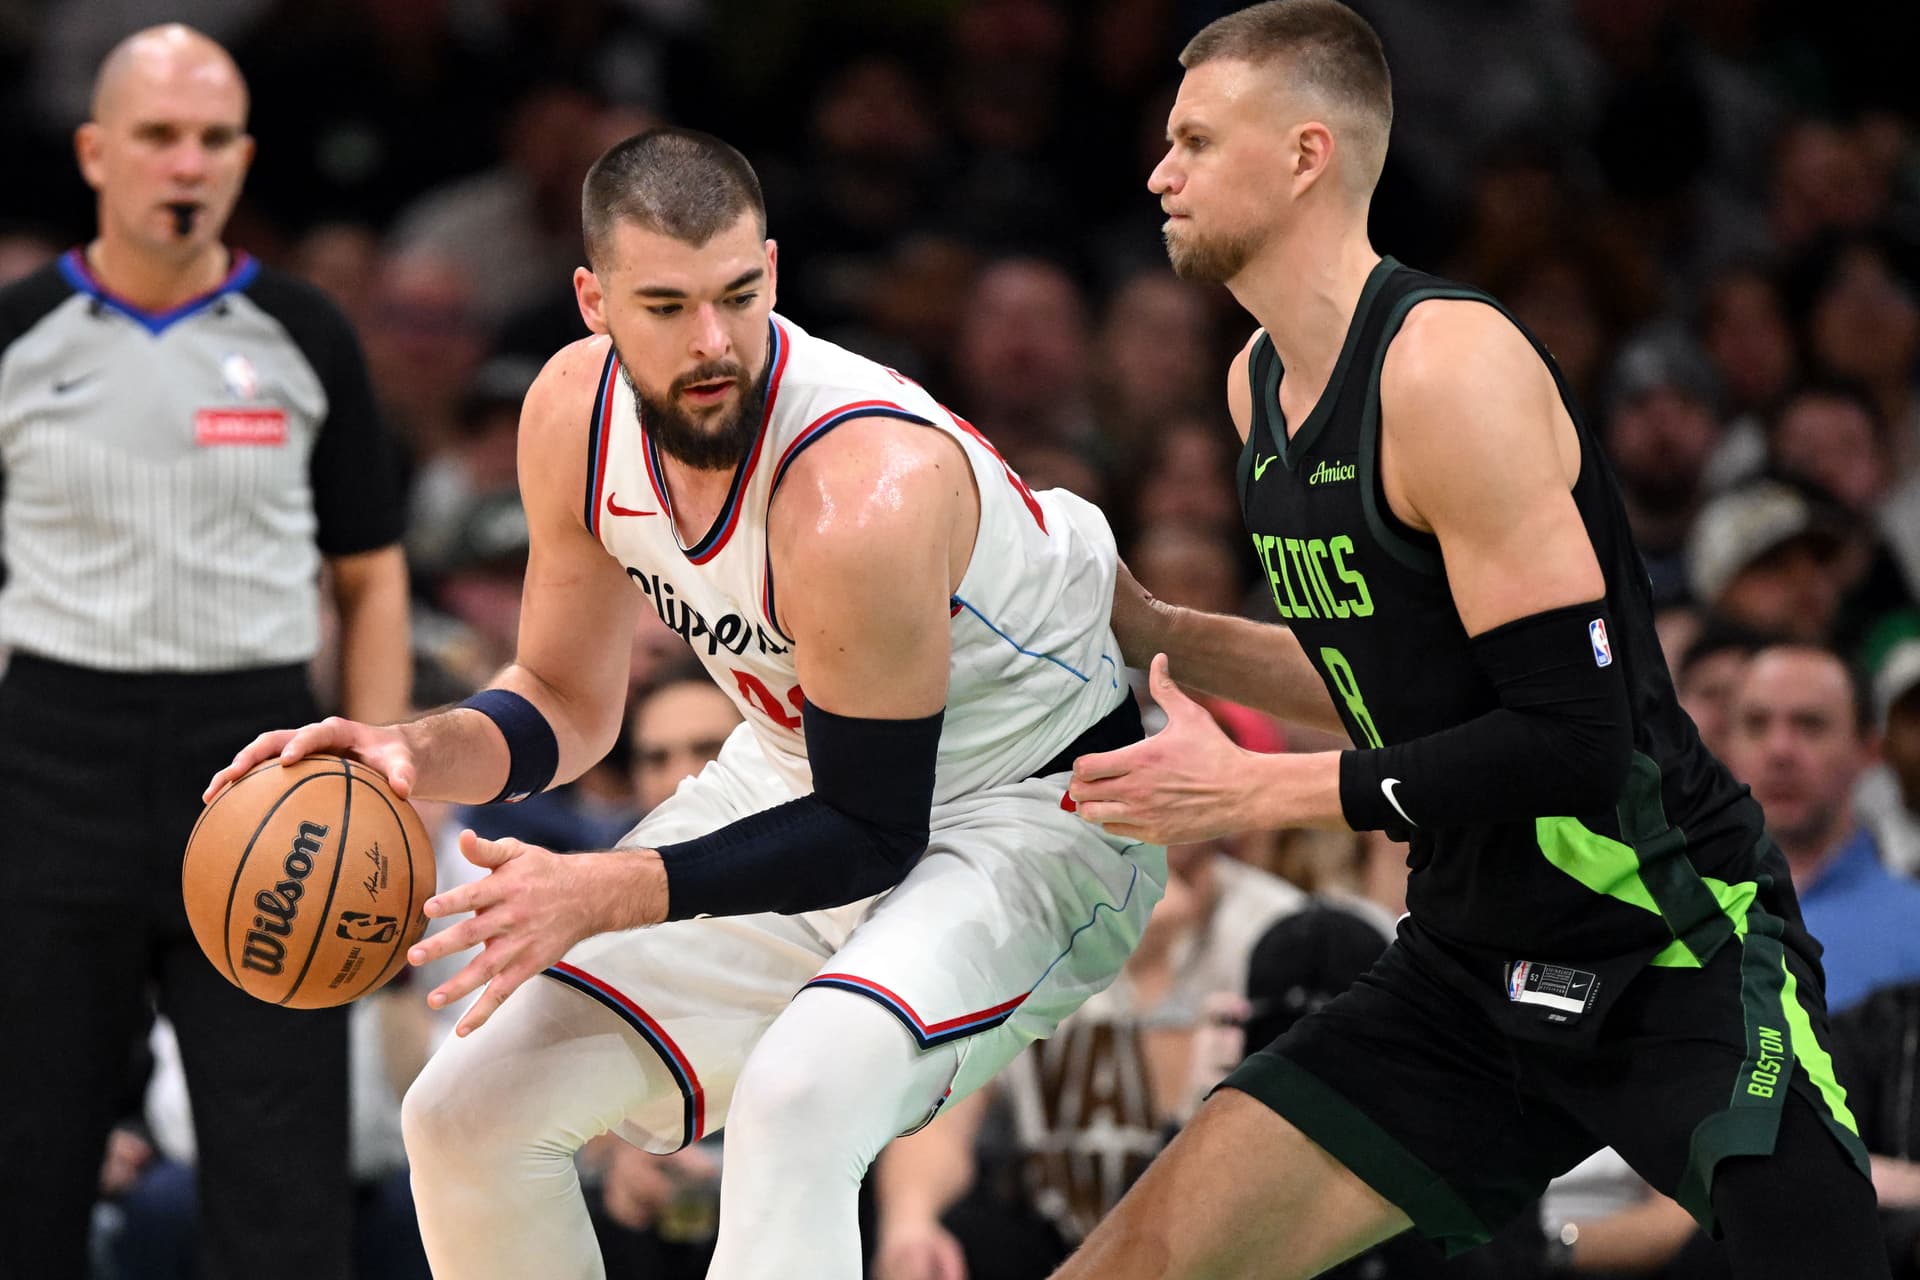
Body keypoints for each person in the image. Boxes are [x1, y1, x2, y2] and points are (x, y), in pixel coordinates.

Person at [208, 126, 1160, 1280]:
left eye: (738, 295)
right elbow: (563, 700)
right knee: (462, 1111)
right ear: (591, 302)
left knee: (800, 1097)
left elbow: (876, 827)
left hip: (1035, 803)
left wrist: (608, 885)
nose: (713, 342)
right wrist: (409, 750)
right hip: (805, 770)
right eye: (665, 306)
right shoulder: (571, 412)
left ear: (771, 265)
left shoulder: (856, 488)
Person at [1056, 4, 1883, 1277]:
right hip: (1469, 963)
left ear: (1306, 154)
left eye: (1194, 141)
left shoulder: (1448, 369)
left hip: (1666, 942)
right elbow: (1396, 693)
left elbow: (1569, 737)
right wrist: (1160, 634)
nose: (1159, 173)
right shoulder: (1253, 386)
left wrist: (1250, 788)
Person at [0, 24, 409, 1280]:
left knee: (283, 1174)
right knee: (27, 1155)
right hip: (50, 757)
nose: (189, 160)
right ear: (95, 150)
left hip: (264, 763)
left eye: (215, 136)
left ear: (243, 156)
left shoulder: (306, 333)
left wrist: (382, 762)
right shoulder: (16, 335)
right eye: (159, 134)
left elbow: (371, 570)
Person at [1720, 644, 1920, 1013]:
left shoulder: (1914, 930)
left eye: (1810, 724)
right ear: (1726, 746)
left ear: (1870, 750)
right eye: (1756, 724)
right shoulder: (1668, 915)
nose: (1779, 750)